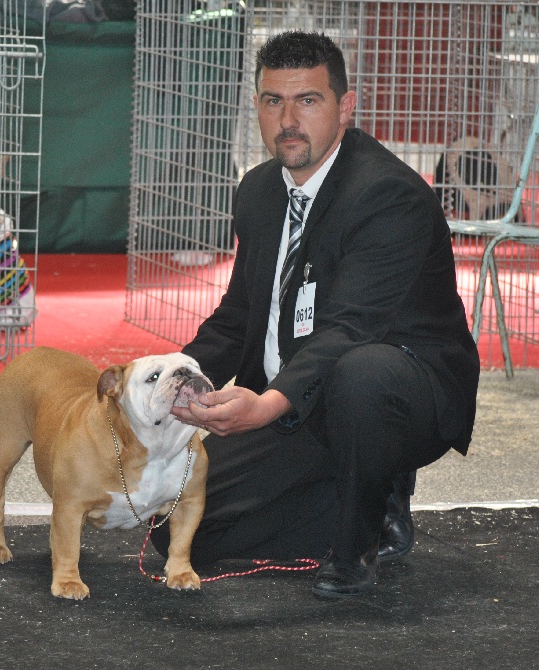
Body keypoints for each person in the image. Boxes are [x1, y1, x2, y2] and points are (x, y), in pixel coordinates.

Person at [151, 30, 480, 598]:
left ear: (344, 107)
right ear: (255, 105)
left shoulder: (389, 196)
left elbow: (349, 328)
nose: (288, 120)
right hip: (299, 398)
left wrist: (270, 404)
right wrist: (168, 382)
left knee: (363, 372)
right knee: (174, 528)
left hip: (398, 390)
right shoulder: (257, 190)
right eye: (272, 100)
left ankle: (357, 545)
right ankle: (365, 490)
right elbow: (238, 315)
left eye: (308, 100)